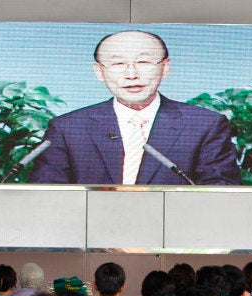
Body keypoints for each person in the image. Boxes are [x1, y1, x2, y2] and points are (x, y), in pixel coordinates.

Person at [28, 30, 241, 185]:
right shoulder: (68, 128)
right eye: (118, 64)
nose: (131, 74)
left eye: (143, 62)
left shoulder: (205, 125)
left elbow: (220, 191)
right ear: (99, 72)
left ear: (165, 67)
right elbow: (46, 197)